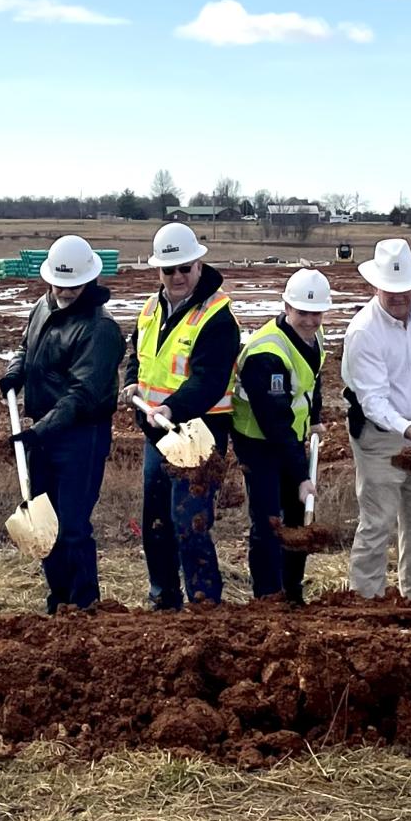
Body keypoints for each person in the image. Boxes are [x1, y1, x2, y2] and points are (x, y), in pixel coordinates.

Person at [1, 235, 124, 614]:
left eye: (72, 284)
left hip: (80, 436)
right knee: (45, 524)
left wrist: (41, 430)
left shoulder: (100, 329)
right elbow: (27, 347)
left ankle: (85, 604)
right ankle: (59, 602)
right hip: (46, 432)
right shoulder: (43, 305)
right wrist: (14, 372)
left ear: (89, 279)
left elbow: (82, 394)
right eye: (58, 283)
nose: (65, 291)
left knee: (71, 526)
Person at [123, 221, 242, 609]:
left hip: (198, 434)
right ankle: (164, 600)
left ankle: (204, 603)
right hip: (156, 432)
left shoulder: (217, 317)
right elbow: (138, 355)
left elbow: (209, 381)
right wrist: (130, 383)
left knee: (190, 524)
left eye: (184, 269)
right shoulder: (151, 307)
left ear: (198, 265)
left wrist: (171, 407)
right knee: (156, 524)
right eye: (168, 270)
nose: (176, 277)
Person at [340, 238, 411, 601]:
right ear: (375, 285)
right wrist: (405, 428)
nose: (398, 296)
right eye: (390, 289)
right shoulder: (363, 331)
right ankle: (367, 599)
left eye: (405, 288)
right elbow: (371, 399)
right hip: (381, 436)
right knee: (378, 521)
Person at [230, 268, 332, 603]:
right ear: (286, 306)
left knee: (297, 516)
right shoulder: (267, 353)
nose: (309, 320)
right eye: (302, 312)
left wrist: (314, 418)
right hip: (258, 441)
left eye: (316, 313)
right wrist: (301, 474)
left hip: (289, 437)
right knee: (270, 520)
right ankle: (268, 597)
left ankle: (292, 592)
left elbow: (311, 382)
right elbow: (274, 422)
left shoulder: (313, 338)